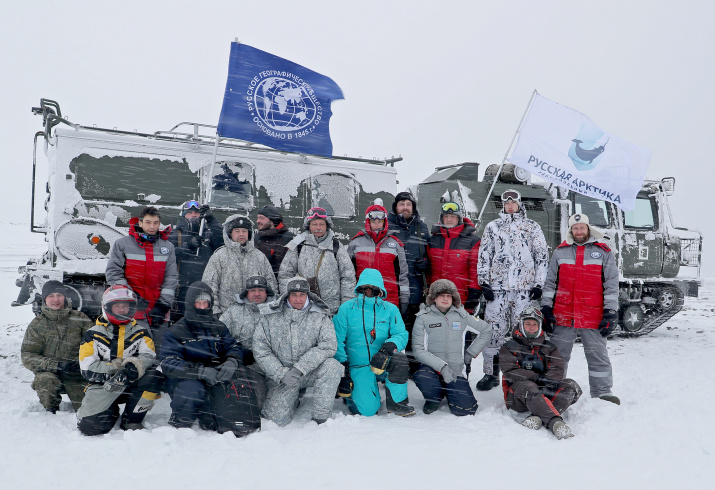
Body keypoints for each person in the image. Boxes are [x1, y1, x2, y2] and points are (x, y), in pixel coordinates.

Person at [160, 281, 259, 436]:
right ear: (190, 304)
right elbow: (169, 363)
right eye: (198, 303)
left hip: (215, 375)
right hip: (188, 379)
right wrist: (200, 372)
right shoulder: (176, 331)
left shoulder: (218, 326)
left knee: (234, 387)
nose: (202, 307)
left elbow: (232, 347)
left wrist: (232, 361)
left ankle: (212, 415)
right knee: (192, 390)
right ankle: (181, 420)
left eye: (205, 303)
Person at [541, 213, 620, 405]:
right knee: (557, 356)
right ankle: (553, 389)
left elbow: (611, 283)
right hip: (563, 314)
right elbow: (550, 282)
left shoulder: (603, 251)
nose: (579, 231)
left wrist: (611, 311)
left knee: (597, 356)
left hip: (592, 314)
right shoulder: (560, 252)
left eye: (581, 228)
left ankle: (602, 393)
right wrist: (546, 308)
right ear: (571, 230)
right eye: (575, 228)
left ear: (587, 229)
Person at [476, 189, 549, 391]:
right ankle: (490, 374)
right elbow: (484, 256)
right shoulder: (493, 227)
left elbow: (541, 257)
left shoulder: (532, 227)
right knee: (493, 333)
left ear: (519, 204)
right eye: (506, 203)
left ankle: (524, 373)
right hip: (497, 290)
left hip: (524, 290)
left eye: (513, 202)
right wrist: (484, 283)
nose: (509, 206)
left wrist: (538, 284)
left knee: (525, 333)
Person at [253, 276, 343, 426]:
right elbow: (261, 350)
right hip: (284, 376)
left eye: (302, 295)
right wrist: (280, 373)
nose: (298, 299)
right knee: (275, 421)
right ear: (287, 296)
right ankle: (293, 397)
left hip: (309, 371)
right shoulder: (270, 317)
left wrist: (301, 368)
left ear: (308, 295)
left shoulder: (319, 315)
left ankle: (321, 416)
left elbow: (328, 345)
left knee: (332, 366)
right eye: (294, 295)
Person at [76, 285, 162, 435]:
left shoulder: (141, 332)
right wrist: (117, 369)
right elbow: (87, 368)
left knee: (154, 377)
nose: (122, 310)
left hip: (132, 381)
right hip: (103, 385)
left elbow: (149, 356)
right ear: (107, 307)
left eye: (125, 306)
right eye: (117, 306)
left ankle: (132, 419)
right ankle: (111, 409)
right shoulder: (92, 334)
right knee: (90, 428)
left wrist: (132, 369)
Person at [333, 268, 415, 417]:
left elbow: (400, 334)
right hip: (357, 365)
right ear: (359, 288)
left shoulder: (390, 309)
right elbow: (337, 339)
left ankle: (397, 404)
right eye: (365, 288)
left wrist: (387, 349)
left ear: (380, 289)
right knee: (367, 411)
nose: (369, 292)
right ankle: (355, 394)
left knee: (400, 360)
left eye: (373, 289)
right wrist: (343, 370)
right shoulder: (346, 309)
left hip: (382, 360)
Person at [499, 307, 582, 439]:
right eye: (528, 324)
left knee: (571, 387)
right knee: (529, 387)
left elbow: (558, 367)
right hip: (518, 397)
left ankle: (536, 417)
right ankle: (555, 423)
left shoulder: (550, 347)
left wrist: (549, 380)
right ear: (521, 325)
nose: (531, 328)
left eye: (534, 324)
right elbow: (510, 371)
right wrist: (537, 378)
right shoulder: (508, 347)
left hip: (545, 391)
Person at [412, 279, 492, 415]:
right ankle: (433, 398)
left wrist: (469, 354)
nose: (445, 298)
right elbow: (418, 351)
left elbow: (486, 330)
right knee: (422, 376)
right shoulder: (423, 318)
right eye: (442, 295)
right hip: (432, 369)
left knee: (466, 410)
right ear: (434, 298)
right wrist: (442, 367)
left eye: (449, 296)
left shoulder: (462, 316)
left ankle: (450, 391)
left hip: (456, 370)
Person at [105, 206, 177, 350]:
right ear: (140, 222)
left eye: (156, 223)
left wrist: (163, 305)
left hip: (159, 306)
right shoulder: (123, 244)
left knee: (160, 348)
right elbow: (113, 273)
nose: (152, 226)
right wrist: (131, 296)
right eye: (148, 222)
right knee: (138, 347)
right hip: (132, 306)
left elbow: (171, 277)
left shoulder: (167, 246)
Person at [21, 280, 94, 413]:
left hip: (76, 374)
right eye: (51, 296)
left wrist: (82, 365)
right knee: (45, 381)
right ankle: (51, 410)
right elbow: (28, 356)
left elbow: (95, 346)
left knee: (89, 411)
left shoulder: (80, 319)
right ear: (45, 299)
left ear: (65, 297)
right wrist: (57, 365)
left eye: (59, 295)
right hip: (50, 373)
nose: (56, 299)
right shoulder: (37, 324)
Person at [278, 207, 356, 315]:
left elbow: (348, 277)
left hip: (331, 310)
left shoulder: (337, 246)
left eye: (321, 224)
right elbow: (284, 275)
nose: (318, 227)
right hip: (303, 310)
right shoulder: (298, 246)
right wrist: (290, 301)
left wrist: (346, 306)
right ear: (308, 226)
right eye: (314, 224)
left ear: (327, 226)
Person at [202, 213, 278, 317]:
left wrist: (267, 309)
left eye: (244, 231)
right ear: (230, 234)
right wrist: (215, 312)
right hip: (226, 316)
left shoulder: (260, 257)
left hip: (256, 316)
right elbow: (209, 285)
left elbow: (271, 285)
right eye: (237, 231)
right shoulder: (219, 257)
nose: (241, 234)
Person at [219, 275, 277, 407]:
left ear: (267, 293)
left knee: (273, 408)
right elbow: (218, 335)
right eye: (253, 290)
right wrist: (237, 351)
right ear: (246, 293)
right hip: (245, 366)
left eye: (261, 290)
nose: (257, 294)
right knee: (254, 402)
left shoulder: (277, 311)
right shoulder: (233, 312)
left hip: (273, 367)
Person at [347, 203, 409, 312]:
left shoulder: (395, 244)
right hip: (362, 298)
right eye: (373, 221)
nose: (377, 224)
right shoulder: (355, 243)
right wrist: (349, 296)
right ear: (368, 222)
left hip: (389, 299)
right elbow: (348, 273)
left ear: (384, 222)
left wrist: (404, 298)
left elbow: (403, 275)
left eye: (380, 221)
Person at [169, 200, 223, 320]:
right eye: (190, 212)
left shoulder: (209, 234)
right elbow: (169, 257)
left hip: (207, 290)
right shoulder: (174, 235)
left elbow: (223, 244)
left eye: (197, 213)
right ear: (183, 215)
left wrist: (212, 220)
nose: (194, 215)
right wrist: (188, 246)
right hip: (182, 291)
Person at [386, 191, 430, 329]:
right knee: (390, 324)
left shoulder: (421, 227)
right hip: (391, 284)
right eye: (402, 204)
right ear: (395, 207)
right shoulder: (387, 226)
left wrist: (427, 264)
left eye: (408, 204)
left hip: (414, 286)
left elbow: (430, 252)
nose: (405, 207)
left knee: (412, 326)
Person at [427, 202, 481, 311]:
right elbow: (429, 270)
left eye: (452, 216)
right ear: (442, 219)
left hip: (460, 296)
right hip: (437, 296)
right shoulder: (433, 240)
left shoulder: (472, 241)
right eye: (446, 217)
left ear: (459, 219)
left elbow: (475, 270)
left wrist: (475, 292)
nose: (449, 219)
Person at [254, 205, 295, 278]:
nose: (258, 221)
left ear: (272, 220)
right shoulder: (256, 237)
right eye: (257, 218)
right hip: (259, 286)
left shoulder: (289, 238)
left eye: (262, 218)